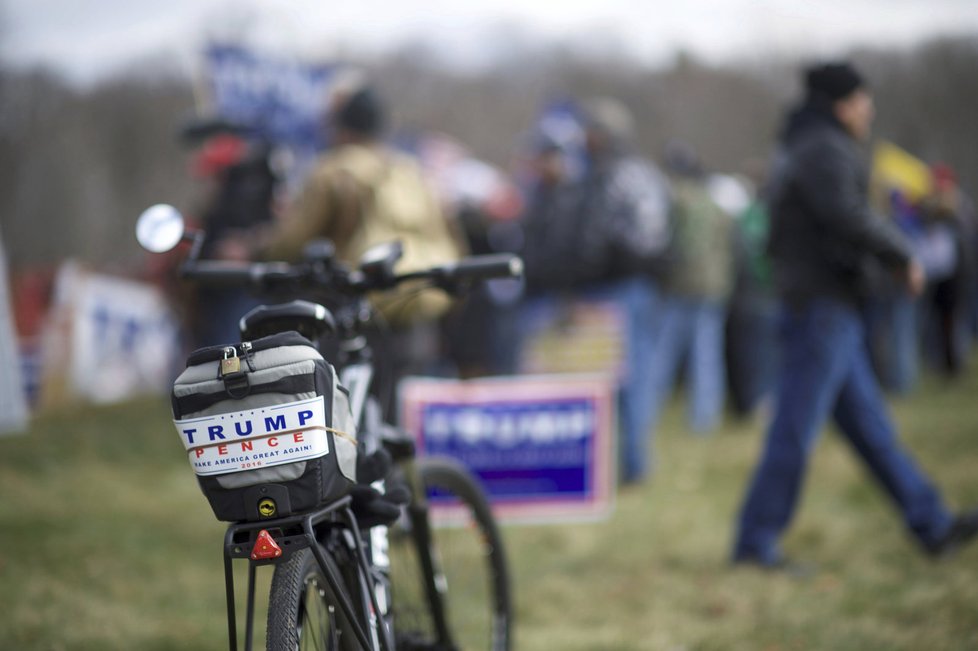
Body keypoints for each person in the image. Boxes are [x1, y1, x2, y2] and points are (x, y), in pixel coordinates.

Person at [732, 61, 978, 569]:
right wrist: (901, 253)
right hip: (820, 308)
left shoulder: (805, 143)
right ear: (842, 103)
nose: (869, 109)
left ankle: (930, 523)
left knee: (870, 429)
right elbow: (845, 213)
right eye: (863, 99)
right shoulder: (823, 148)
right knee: (795, 431)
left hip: (827, 307)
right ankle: (755, 543)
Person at [263, 77, 463, 383]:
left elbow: (292, 241)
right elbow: (448, 234)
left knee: (346, 411)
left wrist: (253, 249)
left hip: (353, 312)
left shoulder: (335, 170)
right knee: (403, 408)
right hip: (414, 305)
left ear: (342, 127)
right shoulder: (410, 170)